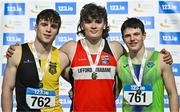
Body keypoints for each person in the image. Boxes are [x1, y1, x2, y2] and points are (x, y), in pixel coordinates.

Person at [5, 3, 173, 112]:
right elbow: (45, 58)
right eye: (89, 21)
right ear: (82, 25)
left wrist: (164, 56)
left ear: (105, 25)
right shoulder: (71, 47)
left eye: (98, 21)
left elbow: (136, 57)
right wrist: (17, 51)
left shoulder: (115, 48)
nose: (93, 26)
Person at [1, 9, 69, 112]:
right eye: (44, 24)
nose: (48, 30)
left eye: (53, 26)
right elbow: (7, 90)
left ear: (58, 32)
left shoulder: (63, 57)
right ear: (36, 27)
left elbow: (79, 80)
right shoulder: (17, 53)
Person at [117, 17, 179, 112]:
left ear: (144, 35)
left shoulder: (161, 59)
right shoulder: (120, 62)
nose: (132, 39)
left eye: (136, 34)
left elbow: (172, 94)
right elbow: (113, 95)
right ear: (123, 38)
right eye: (127, 36)